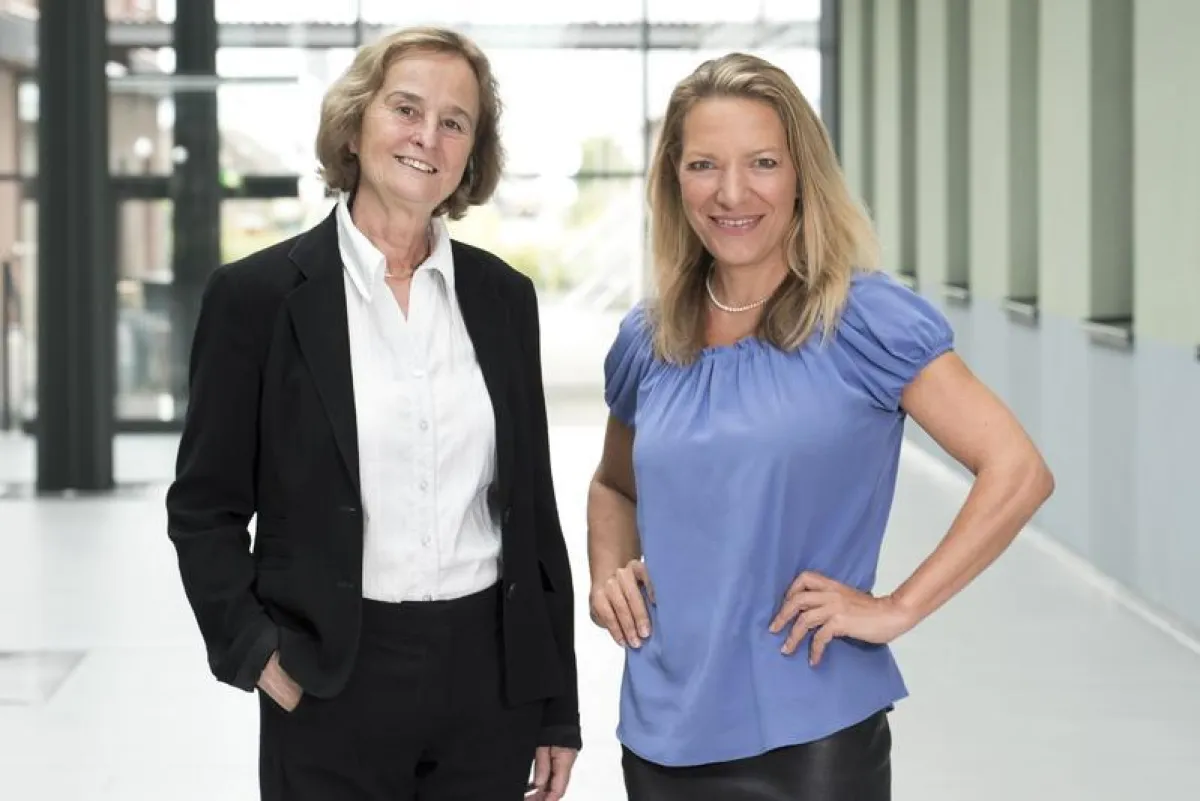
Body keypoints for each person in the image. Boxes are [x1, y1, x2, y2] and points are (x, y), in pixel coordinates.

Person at [586, 52, 1055, 801]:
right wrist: (608, 572)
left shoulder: (863, 320)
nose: (732, 192)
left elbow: (1018, 469)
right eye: (704, 165)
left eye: (762, 163)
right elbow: (614, 484)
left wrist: (898, 607)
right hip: (661, 727)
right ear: (674, 179)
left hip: (812, 735)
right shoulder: (649, 340)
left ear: (801, 174)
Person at [166, 26, 579, 801]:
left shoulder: (503, 298)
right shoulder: (256, 298)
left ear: (471, 154)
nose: (428, 136)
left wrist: (557, 703)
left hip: (488, 682)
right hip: (329, 676)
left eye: (454, 121)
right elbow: (203, 509)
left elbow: (534, 515)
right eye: (406, 109)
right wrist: (257, 652)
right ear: (355, 125)